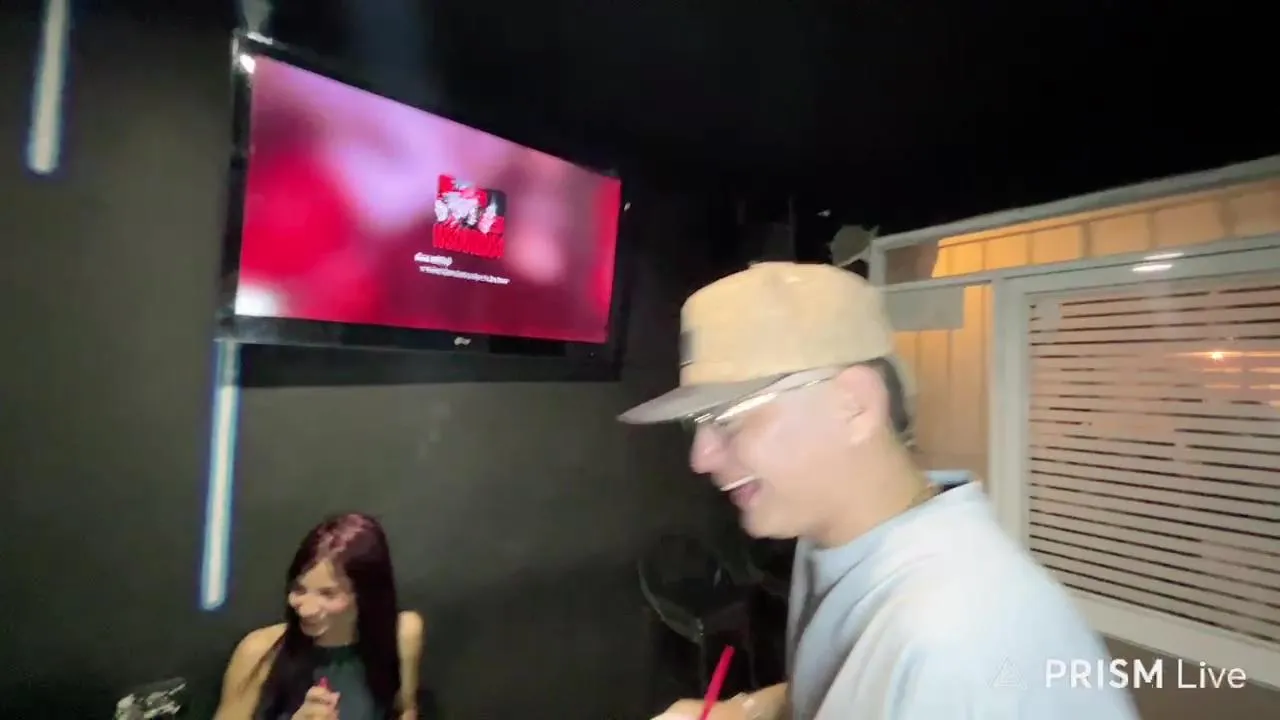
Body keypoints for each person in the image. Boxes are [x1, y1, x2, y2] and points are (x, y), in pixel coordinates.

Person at [618, 262, 1138, 720]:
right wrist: (746, 711)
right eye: (696, 424)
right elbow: (842, 689)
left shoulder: (962, 637)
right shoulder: (835, 542)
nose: (700, 457)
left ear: (854, 406)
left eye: (726, 418)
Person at [213, 513, 425, 720]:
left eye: (328, 594)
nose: (306, 609)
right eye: (299, 589)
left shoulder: (402, 635)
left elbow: (405, 710)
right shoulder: (260, 652)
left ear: (366, 594)